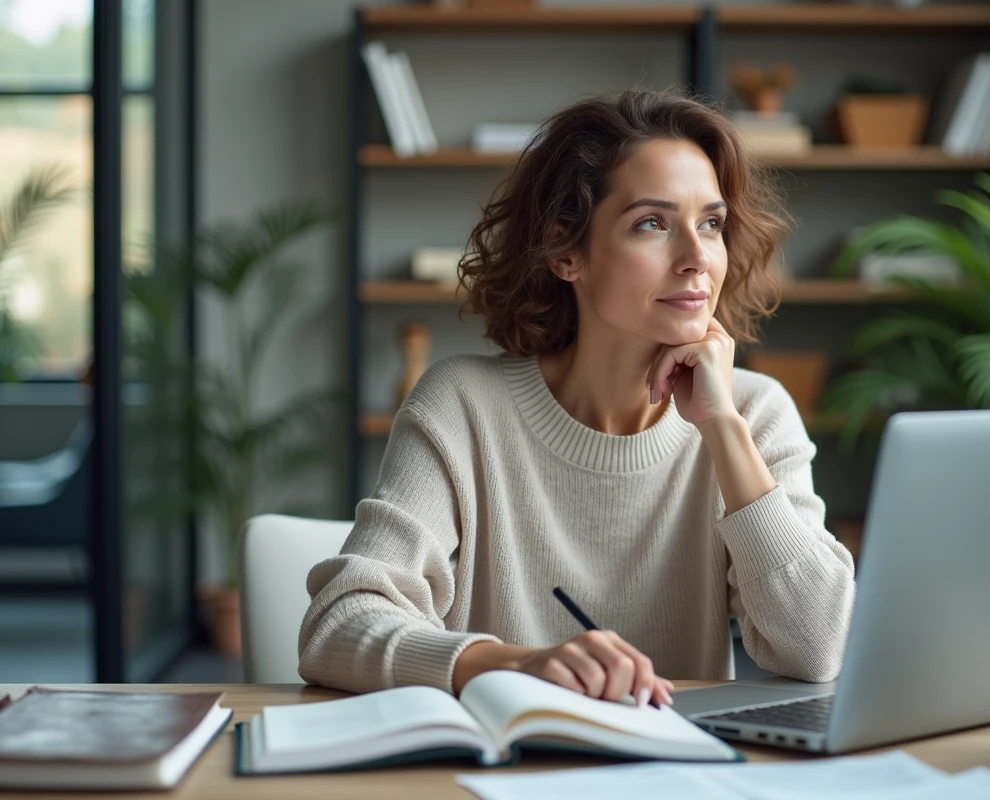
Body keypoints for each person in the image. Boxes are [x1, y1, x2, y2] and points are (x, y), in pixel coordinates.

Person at [299, 87, 856, 709]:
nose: (698, 257)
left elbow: (816, 647)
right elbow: (337, 625)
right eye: (652, 223)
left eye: (712, 223)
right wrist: (515, 666)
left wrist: (722, 428)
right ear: (565, 249)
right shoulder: (462, 406)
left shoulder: (754, 412)